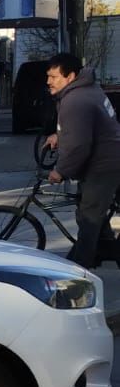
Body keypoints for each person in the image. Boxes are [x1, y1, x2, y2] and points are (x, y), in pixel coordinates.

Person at [45, 52, 120, 270]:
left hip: (104, 165)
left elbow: (79, 146)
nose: (48, 81)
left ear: (70, 77)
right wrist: (59, 135)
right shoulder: (89, 89)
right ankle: (104, 249)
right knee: (91, 213)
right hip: (108, 158)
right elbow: (85, 127)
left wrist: (60, 171)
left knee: (89, 218)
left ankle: (79, 271)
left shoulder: (76, 100)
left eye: (54, 77)